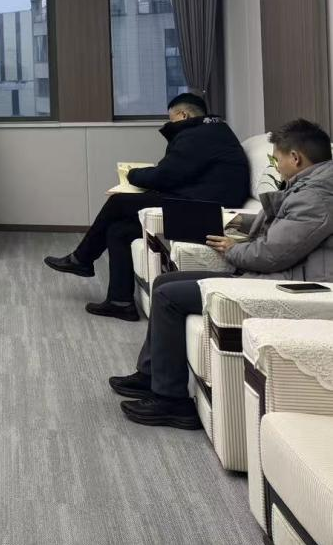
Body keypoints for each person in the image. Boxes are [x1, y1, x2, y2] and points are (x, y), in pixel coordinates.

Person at [109, 118, 333, 428]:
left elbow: (272, 254)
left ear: (295, 158)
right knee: (165, 282)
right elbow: (282, 234)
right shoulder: (310, 186)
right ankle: (150, 375)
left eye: (277, 159)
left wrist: (231, 249)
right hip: (279, 274)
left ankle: (172, 402)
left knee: (169, 296)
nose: (276, 166)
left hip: (286, 284)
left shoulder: (317, 196)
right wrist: (239, 230)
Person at [44, 93, 249, 319]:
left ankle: (82, 259)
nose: (170, 124)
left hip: (204, 215)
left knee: (118, 202)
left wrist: (131, 174)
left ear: (183, 115)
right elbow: (180, 174)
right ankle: (120, 301)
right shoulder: (214, 131)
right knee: (119, 231)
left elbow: (165, 175)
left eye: (171, 119)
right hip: (203, 208)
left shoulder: (198, 136)